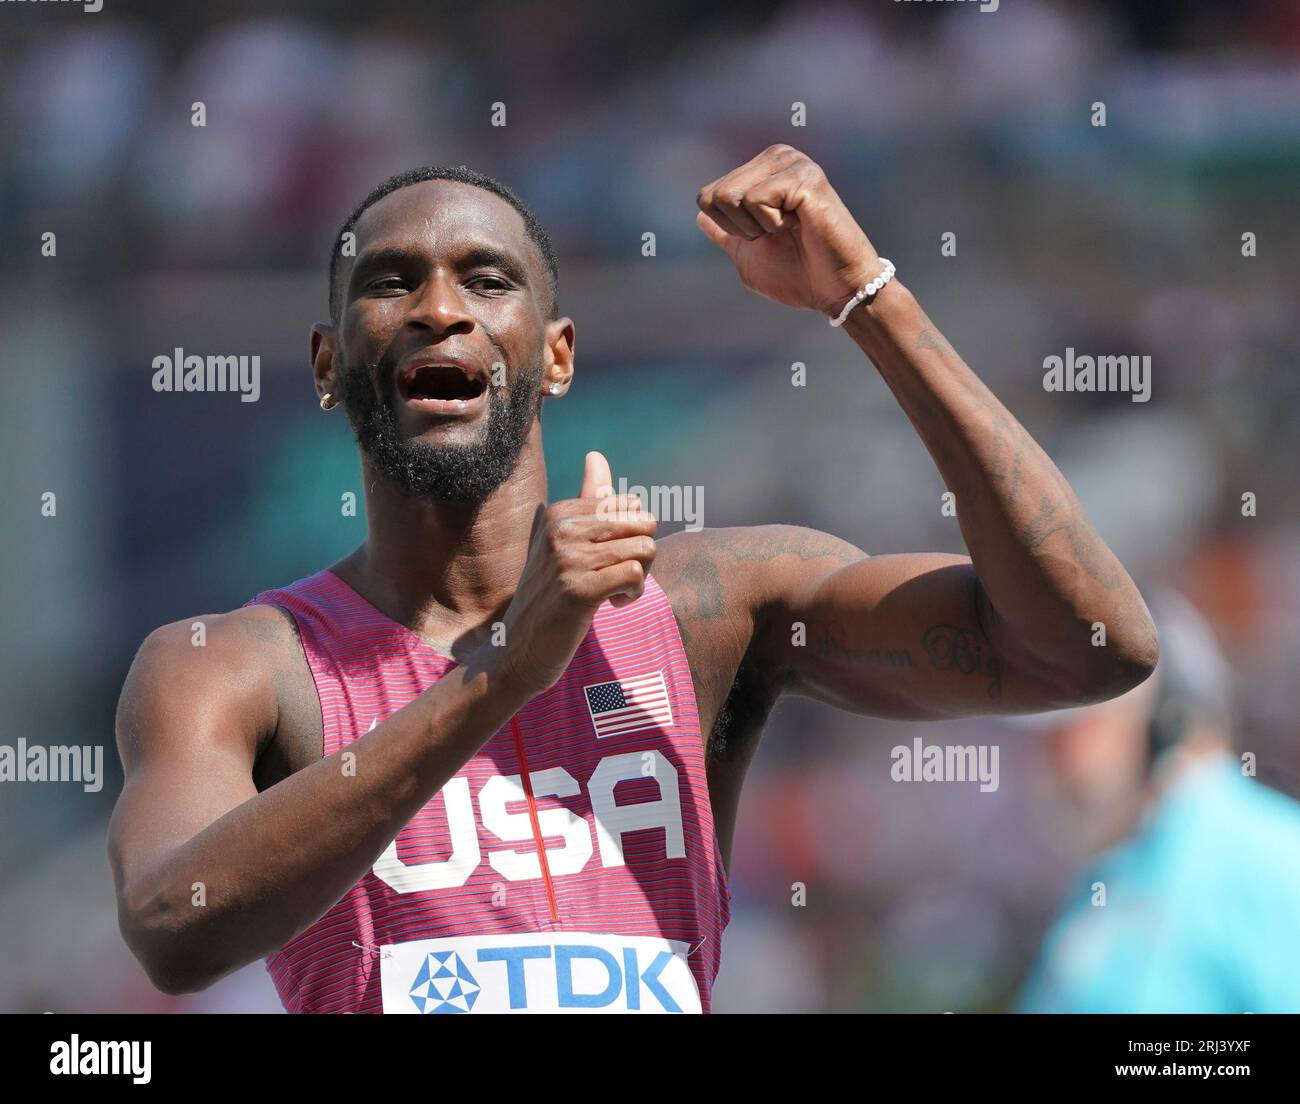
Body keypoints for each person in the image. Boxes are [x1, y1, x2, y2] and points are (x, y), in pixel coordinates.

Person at [108, 145, 1157, 1014]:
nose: (439, 308)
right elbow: (171, 928)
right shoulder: (236, 666)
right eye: (391, 281)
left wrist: (868, 302)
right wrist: (506, 668)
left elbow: (1092, 647)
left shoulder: (716, 606)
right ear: (330, 365)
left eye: (486, 279)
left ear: (556, 355)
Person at [1019, 589, 1300, 1013]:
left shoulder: (1270, 858)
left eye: (1074, 728)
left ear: (1165, 718)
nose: (1052, 761)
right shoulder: (1111, 873)